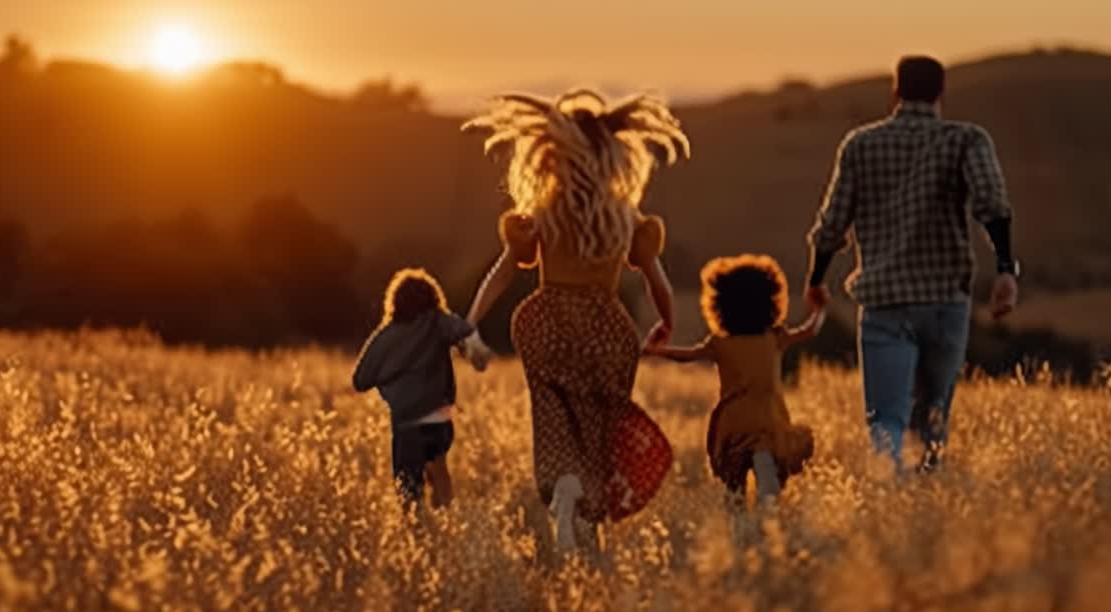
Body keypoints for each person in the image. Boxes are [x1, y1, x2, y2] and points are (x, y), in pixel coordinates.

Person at [460, 89, 687, 551]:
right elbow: (658, 285)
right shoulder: (624, 218)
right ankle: (592, 521)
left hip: (546, 321)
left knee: (553, 416)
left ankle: (562, 487)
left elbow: (502, 274)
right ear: (613, 154)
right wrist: (665, 324)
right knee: (602, 426)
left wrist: (471, 321)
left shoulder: (543, 214)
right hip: (606, 329)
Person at [803, 55, 1020, 472]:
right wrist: (1006, 269)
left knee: (886, 420)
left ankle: (890, 505)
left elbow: (832, 223)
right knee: (933, 419)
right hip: (944, 301)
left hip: (883, 303)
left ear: (896, 91)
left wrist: (817, 278)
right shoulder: (966, 140)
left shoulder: (859, 144)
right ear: (941, 92)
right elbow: (992, 205)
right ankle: (926, 507)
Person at [644, 255, 822, 504]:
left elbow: (687, 356)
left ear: (720, 304)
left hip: (732, 423)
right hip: (766, 421)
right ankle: (765, 521)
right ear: (770, 299)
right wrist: (818, 310)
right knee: (767, 478)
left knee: (733, 490)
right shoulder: (774, 337)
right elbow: (809, 331)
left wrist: (656, 350)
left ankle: (736, 527)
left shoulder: (720, 343)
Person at [352, 268, 487, 507]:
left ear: (394, 301)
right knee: (439, 467)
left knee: (409, 487)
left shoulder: (386, 336)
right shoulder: (437, 322)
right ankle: (446, 525)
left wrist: (390, 382)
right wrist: (474, 353)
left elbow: (360, 380)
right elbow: (464, 332)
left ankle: (417, 534)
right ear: (433, 298)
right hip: (438, 415)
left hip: (405, 421)